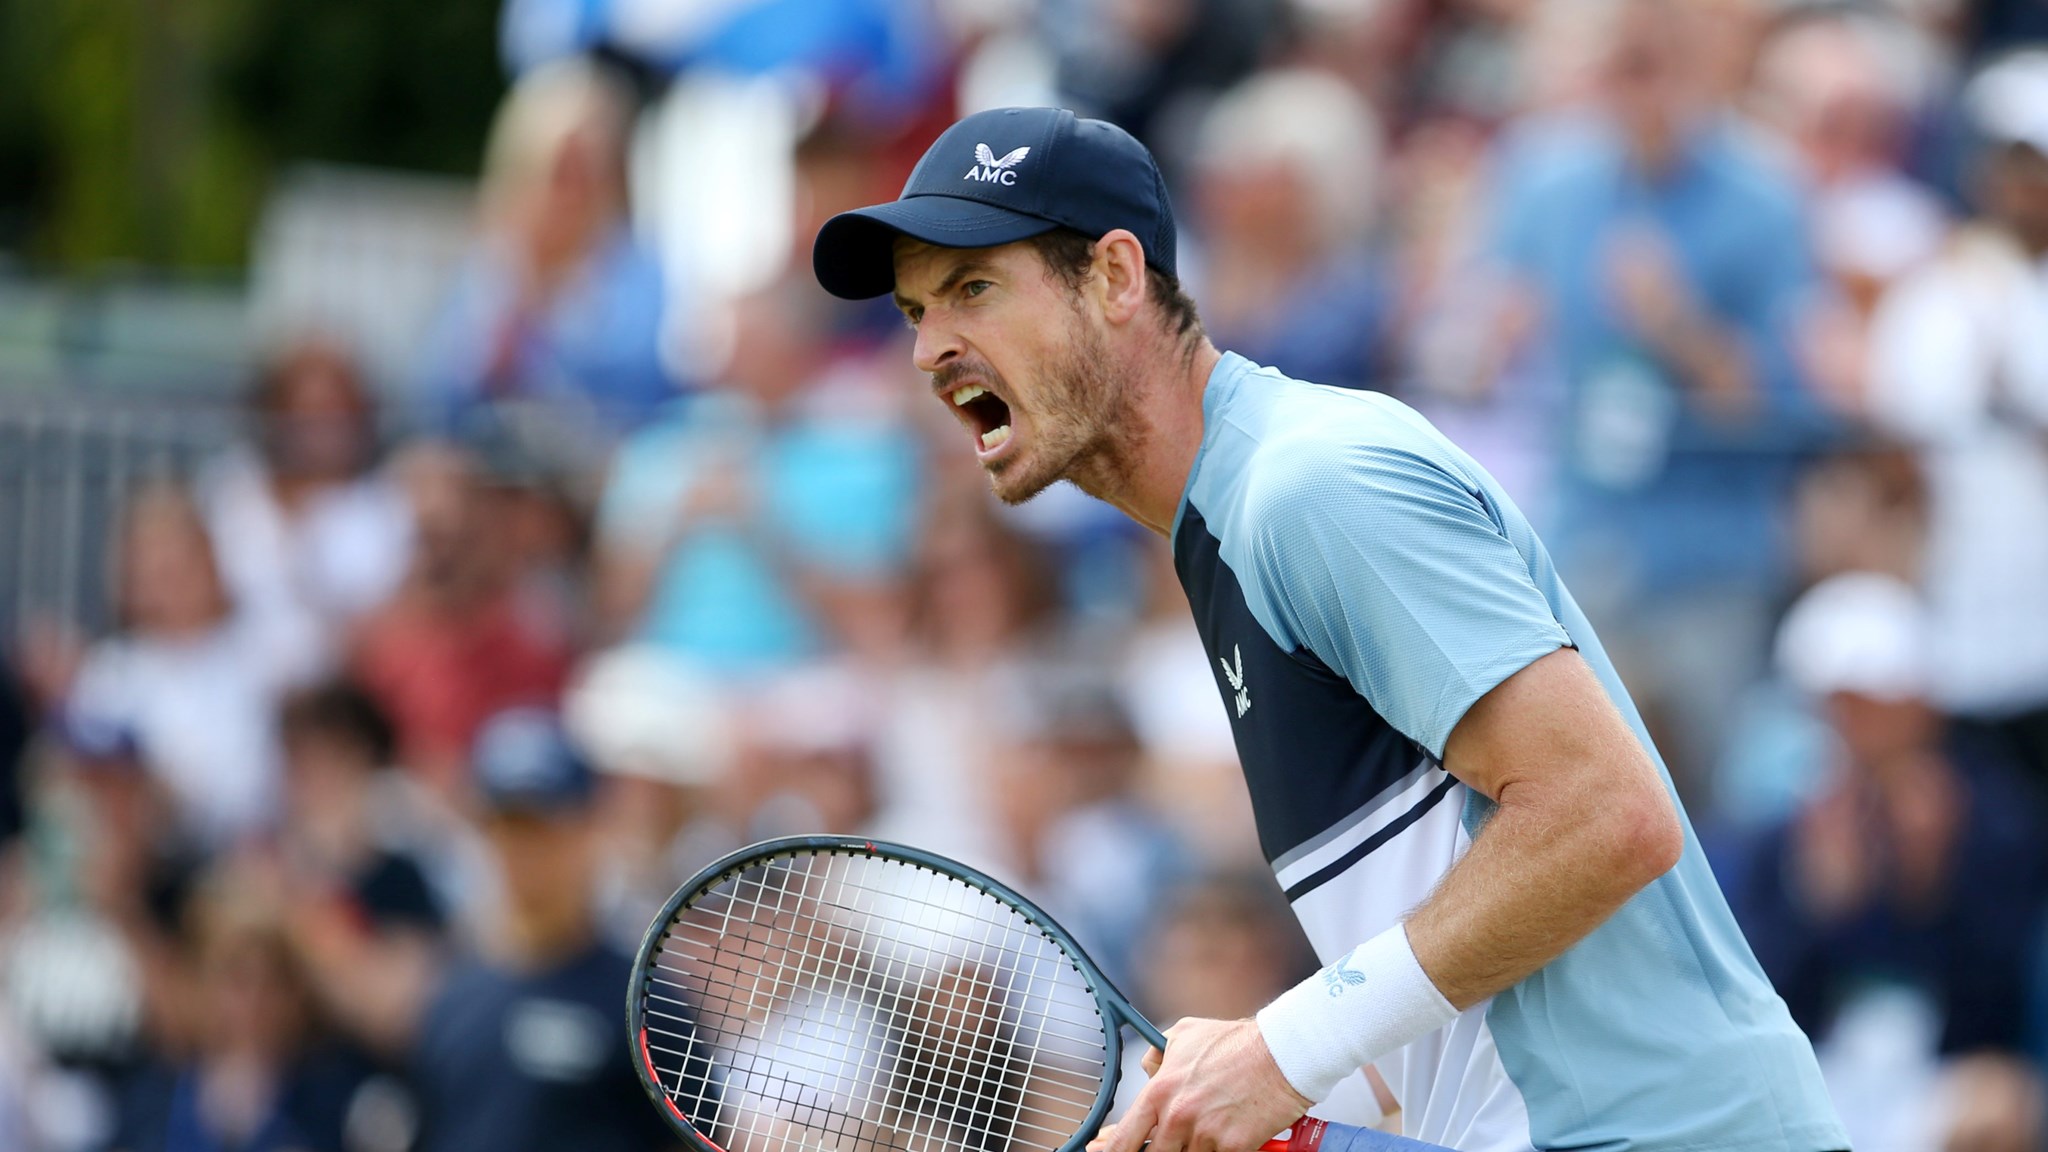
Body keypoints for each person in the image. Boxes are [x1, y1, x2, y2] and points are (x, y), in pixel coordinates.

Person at [810, 105, 1845, 1151]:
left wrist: (1279, 1051)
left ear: (1116, 278)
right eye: (914, 312)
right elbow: (1460, 1008)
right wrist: (1249, 1093)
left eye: (973, 289)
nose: (930, 350)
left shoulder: (1306, 488)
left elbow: (1604, 814)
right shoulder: (1228, 528)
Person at [405, 707, 687, 1152]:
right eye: (509, 829)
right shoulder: (449, 999)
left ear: (591, 831)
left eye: (543, 829)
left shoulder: (646, 1005)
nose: (524, 852)